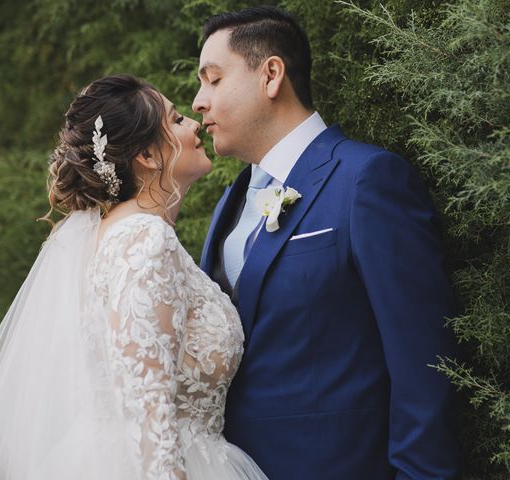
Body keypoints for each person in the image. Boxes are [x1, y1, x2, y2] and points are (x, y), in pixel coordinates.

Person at [193, 6, 461, 480]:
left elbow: (423, 360)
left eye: (213, 80)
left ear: (271, 75)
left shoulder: (367, 181)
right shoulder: (230, 205)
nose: (198, 102)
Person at [0, 74, 268, 479]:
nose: (194, 123)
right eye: (176, 121)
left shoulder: (113, 235)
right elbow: (148, 406)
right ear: (147, 154)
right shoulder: (144, 238)